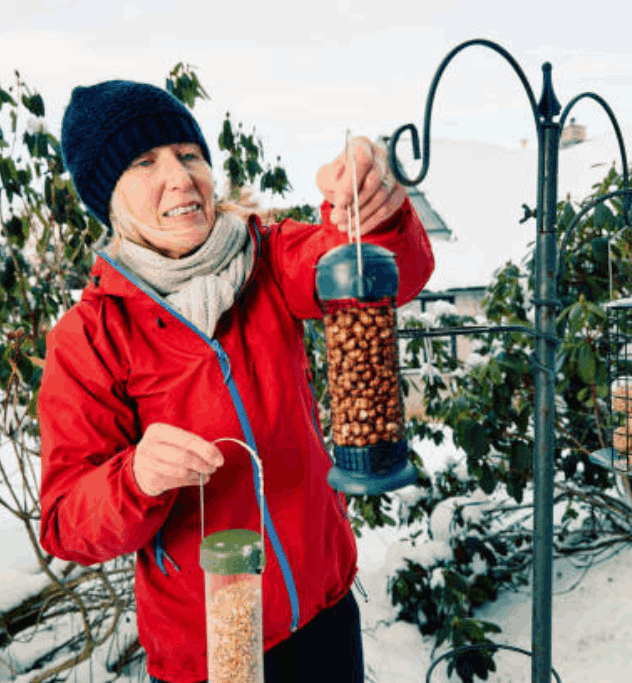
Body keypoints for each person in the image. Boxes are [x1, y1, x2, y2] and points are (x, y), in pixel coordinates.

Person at [38, 80, 435, 683]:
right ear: (109, 198)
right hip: (211, 649)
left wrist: (368, 209)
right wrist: (136, 477)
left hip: (324, 613)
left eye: (189, 155)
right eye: (145, 162)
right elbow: (66, 520)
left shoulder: (268, 257)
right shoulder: (90, 335)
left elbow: (382, 270)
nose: (180, 177)